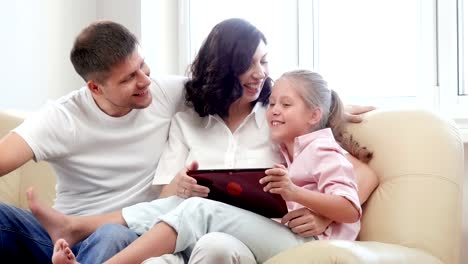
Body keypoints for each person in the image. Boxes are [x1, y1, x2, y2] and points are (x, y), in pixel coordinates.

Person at [26, 19, 377, 264]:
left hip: (251, 234)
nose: (261, 73)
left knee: (210, 237)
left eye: (265, 61)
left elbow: (351, 173)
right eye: (249, 63)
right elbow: (162, 200)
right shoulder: (187, 119)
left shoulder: (278, 118)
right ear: (224, 68)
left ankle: (80, 227)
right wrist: (178, 186)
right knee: (170, 241)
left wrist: (319, 213)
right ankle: (79, 229)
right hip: (185, 228)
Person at [0, 20, 285, 264]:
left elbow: (222, 83)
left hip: (126, 237)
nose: (145, 81)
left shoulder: (166, 92)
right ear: (95, 87)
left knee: (111, 236)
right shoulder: (60, 118)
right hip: (55, 236)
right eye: (129, 78)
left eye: (143, 66)